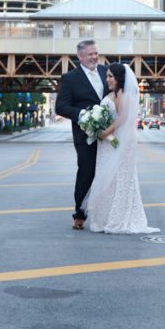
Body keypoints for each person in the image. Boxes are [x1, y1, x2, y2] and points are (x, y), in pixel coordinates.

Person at [82, 62, 159, 235]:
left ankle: (116, 219)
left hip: (116, 142)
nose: (107, 79)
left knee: (117, 179)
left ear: (119, 78)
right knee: (107, 178)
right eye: (107, 75)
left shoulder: (122, 94)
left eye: (110, 76)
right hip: (108, 142)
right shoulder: (113, 93)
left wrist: (104, 132)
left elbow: (123, 118)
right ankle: (104, 218)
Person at [54, 40, 107, 230]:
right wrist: (83, 115)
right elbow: (60, 106)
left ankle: (106, 212)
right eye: (90, 54)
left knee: (110, 172)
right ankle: (80, 213)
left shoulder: (105, 71)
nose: (94, 57)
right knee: (87, 172)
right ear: (80, 56)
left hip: (108, 133)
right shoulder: (70, 78)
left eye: (96, 53)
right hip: (84, 135)